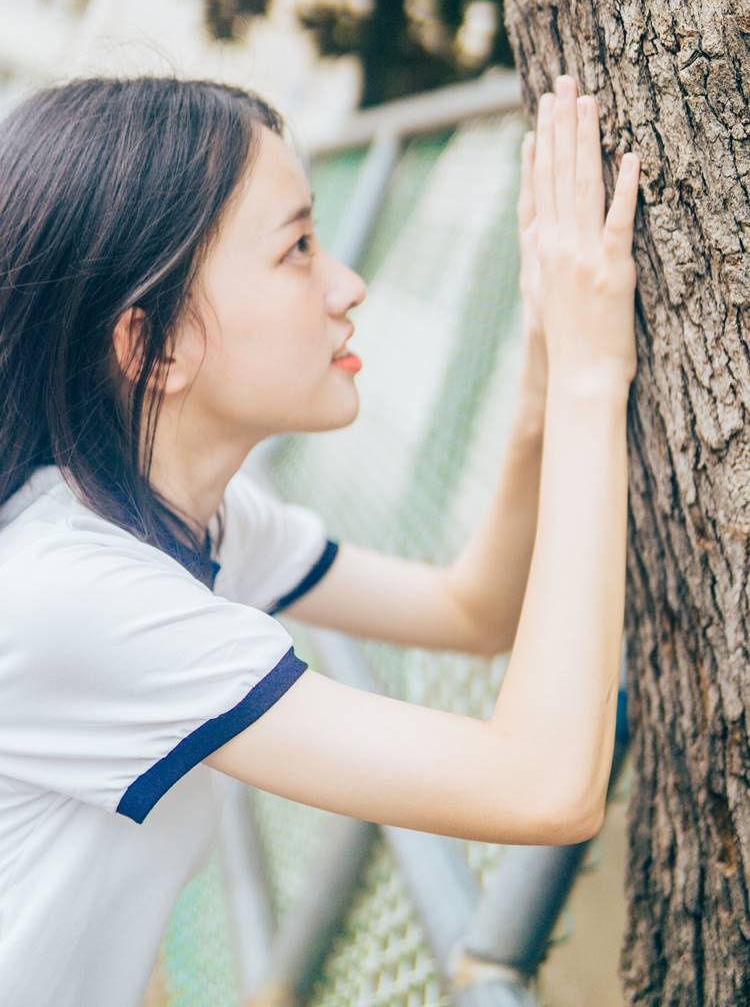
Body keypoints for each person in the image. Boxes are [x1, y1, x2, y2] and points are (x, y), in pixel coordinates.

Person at [0, 72, 640, 1007]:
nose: (349, 285)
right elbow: (544, 786)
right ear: (155, 346)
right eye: (298, 248)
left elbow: (473, 609)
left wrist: (546, 374)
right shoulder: (83, 594)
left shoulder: (185, 514)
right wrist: (596, 376)